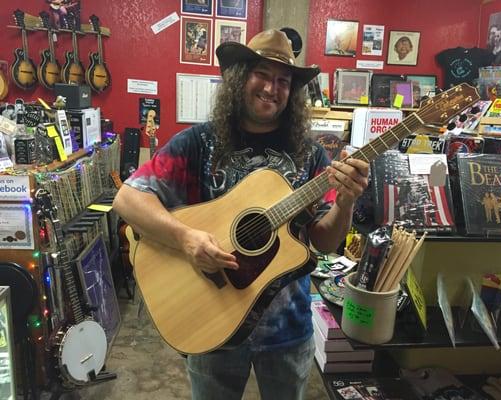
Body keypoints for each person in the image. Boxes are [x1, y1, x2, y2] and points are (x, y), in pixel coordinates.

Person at [112, 29, 369, 400]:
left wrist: (346, 202)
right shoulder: (198, 142)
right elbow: (128, 199)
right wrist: (187, 238)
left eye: (283, 81)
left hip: (288, 329)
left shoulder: (311, 155)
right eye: (262, 75)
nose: (272, 88)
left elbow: (322, 241)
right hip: (209, 317)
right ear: (239, 78)